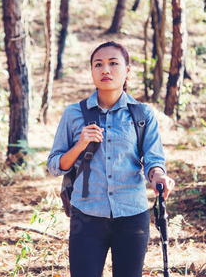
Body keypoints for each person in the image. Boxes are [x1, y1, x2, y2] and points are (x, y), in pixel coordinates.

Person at [47, 41, 175, 277]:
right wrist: (79, 145)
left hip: (132, 215)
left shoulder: (143, 114)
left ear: (127, 70)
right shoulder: (74, 114)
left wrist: (159, 177)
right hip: (86, 215)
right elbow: (55, 166)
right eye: (98, 64)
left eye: (113, 63)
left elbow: (154, 161)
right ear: (92, 71)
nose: (105, 69)